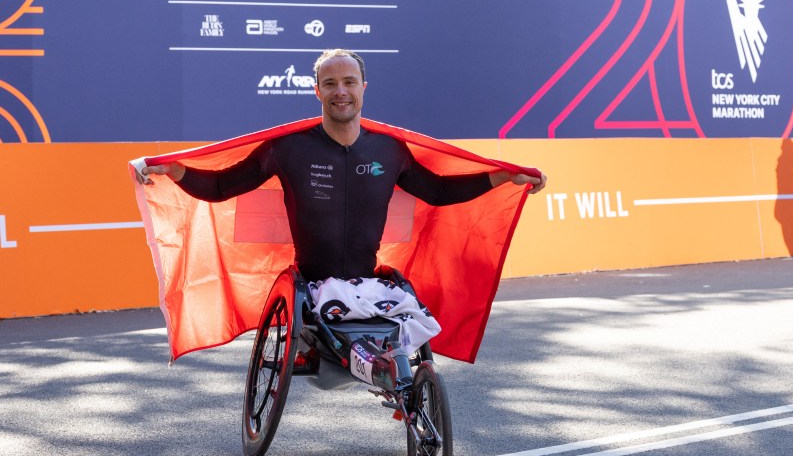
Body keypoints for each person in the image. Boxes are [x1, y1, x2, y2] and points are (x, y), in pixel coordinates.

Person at [140, 47, 546, 287]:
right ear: (316, 91)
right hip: (310, 288)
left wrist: (503, 176)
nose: (341, 92)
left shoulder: (390, 149)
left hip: (368, 283)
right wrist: (177, 172)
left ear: (363, 88)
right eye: (330, 83)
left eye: (349, 82)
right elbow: (222, 186)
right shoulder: (287, 147)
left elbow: (438, 192)